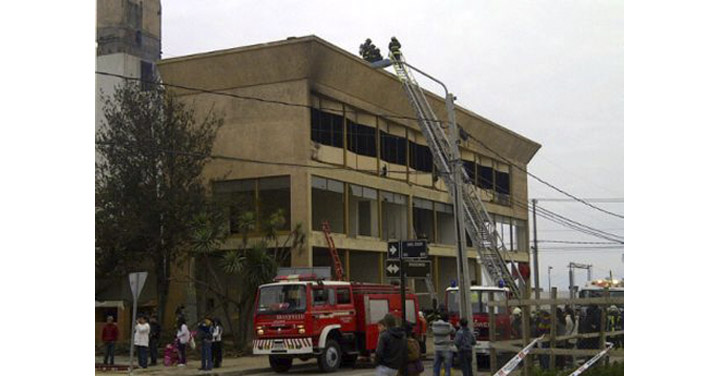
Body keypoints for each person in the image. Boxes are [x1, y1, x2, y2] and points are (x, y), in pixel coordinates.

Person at [432, 311, 455, 376]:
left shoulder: (434, 324)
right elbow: (453, 331)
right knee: (447, 369)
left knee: (436, 368)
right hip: (446, 348)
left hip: (437, 348)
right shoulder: (448, 325)